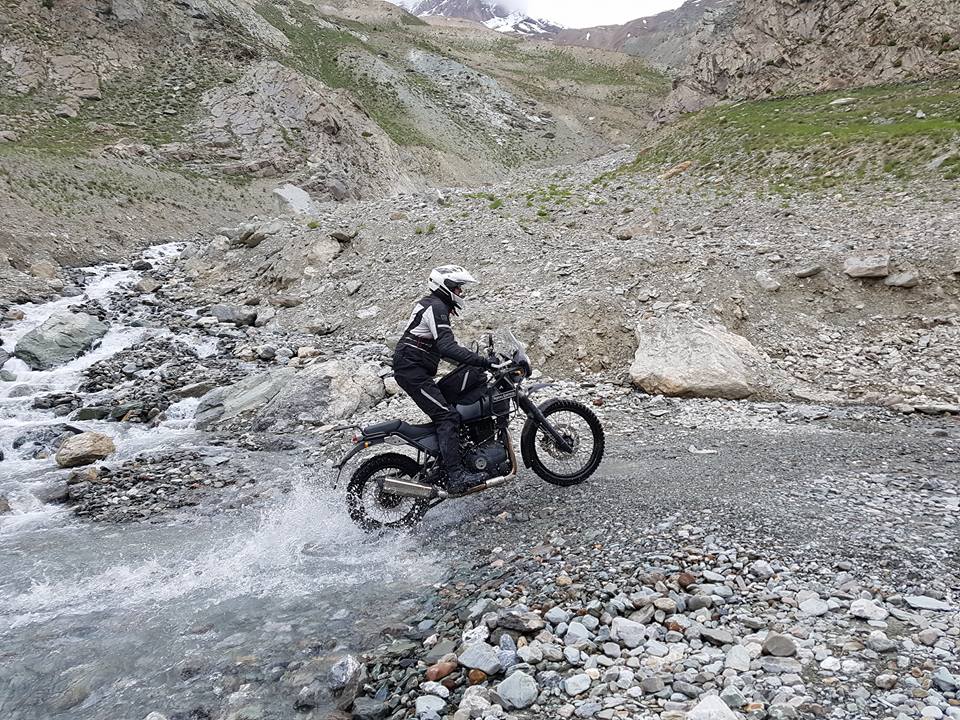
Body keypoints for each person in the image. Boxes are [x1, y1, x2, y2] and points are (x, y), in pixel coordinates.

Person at [393, 265, 495, 494]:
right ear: (446, 287)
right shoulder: (436, 307)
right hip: (411, 371)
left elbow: (443, 348)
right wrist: (484, 362)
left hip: (413, 368)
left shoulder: (435, 305)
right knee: (446, 416)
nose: (461, 292)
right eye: (457, 288)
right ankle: (456, 476)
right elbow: (447, 346)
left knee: (450, 403)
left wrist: (471, 362)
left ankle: (454, 455)